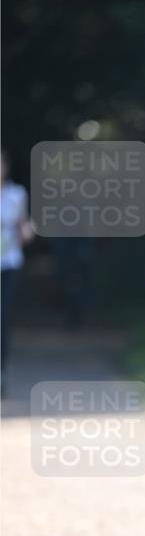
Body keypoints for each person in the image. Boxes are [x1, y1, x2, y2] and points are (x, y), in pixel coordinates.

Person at [1, 149, 34, 394]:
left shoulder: (16, 194)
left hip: (9, 263)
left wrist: (27, 232)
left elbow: (24, 227)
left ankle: (2, 370)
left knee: (3, 319)